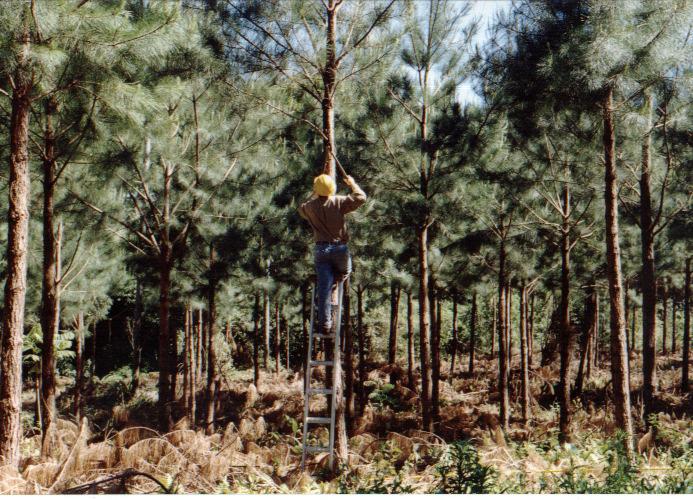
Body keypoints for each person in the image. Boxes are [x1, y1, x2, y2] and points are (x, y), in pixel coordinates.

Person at [298, 173, 367, 335]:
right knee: (346, 271)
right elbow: (361, 197)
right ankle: (336, 279)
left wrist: (314, 193)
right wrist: (352, 183)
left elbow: (300, 208)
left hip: (321, 250)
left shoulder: (309, 207)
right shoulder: (338, 202)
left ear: (317, 190)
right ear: (332, 189)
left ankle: (325, 324)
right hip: (339, 249)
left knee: (323, 291)